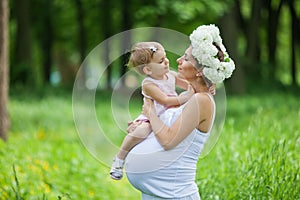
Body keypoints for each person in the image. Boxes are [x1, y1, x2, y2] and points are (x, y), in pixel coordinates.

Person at [125, 24, 235, 199]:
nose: (178, 61)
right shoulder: (191, 96)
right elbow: (169, 130)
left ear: (199, 71)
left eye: (186, 58)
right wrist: (142, 126)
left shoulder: (201, 100)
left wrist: (150, 111)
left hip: (175, 194)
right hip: (158, 192)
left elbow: (168, 140)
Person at [110, 41, 195, 180]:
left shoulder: (171, 75)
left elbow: (189, 86)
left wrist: (202, 87)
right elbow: (165, 100)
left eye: (165, 57)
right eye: (161, 61)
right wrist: (184, 97)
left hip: (170, 112)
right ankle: (119, 159)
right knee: (141, 131)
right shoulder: (148, 84)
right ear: (148, 70)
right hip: (152, 116)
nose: (167, 62)